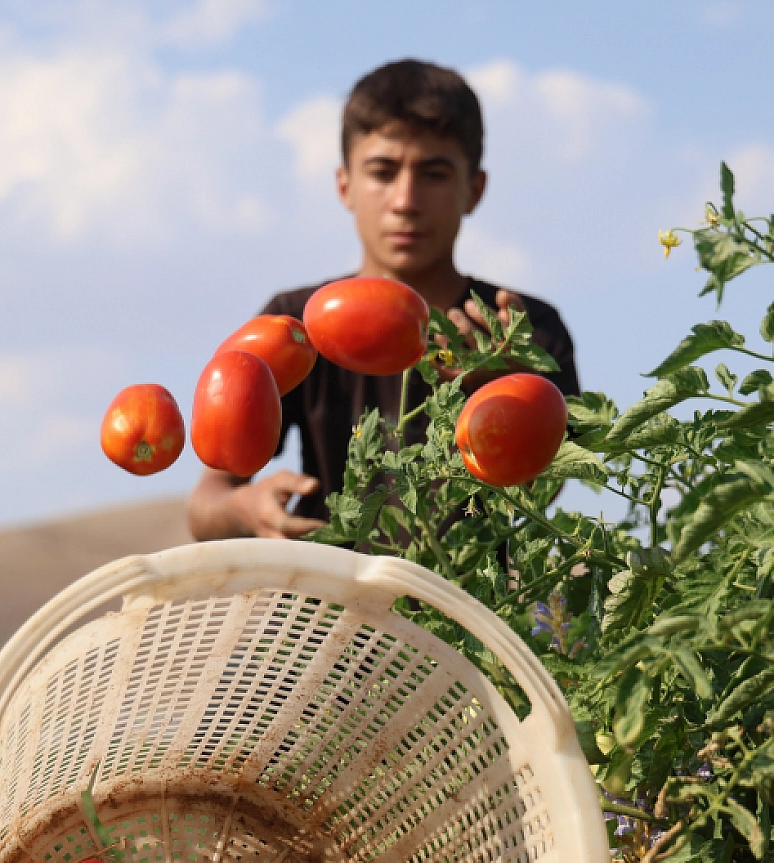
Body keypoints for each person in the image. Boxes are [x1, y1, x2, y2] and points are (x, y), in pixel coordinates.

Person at [186, 59, 580, 541]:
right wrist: (246, 509)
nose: (405, 200)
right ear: (344, 185)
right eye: (383, 171)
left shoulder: (523, 328)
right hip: (325, 613)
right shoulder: (292, 323)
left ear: (474, 190)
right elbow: (207, 504)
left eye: (434, 174)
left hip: (466, 609)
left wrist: (498, 395)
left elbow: (550, 488)